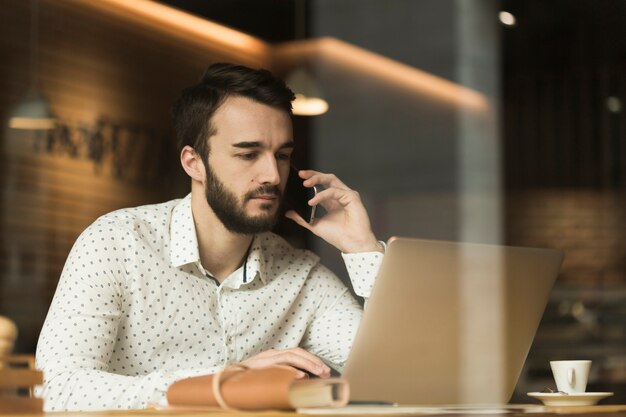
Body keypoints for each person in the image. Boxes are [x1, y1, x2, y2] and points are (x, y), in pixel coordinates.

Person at [35, 63, 384, 411]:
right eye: (248, 154)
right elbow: (56, 389)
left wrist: (362, 250)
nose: (272, 175)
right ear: (193, 162)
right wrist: (226, 382)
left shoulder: (301, 277)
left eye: (282, 156)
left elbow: (398, 374)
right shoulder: (115, 244)